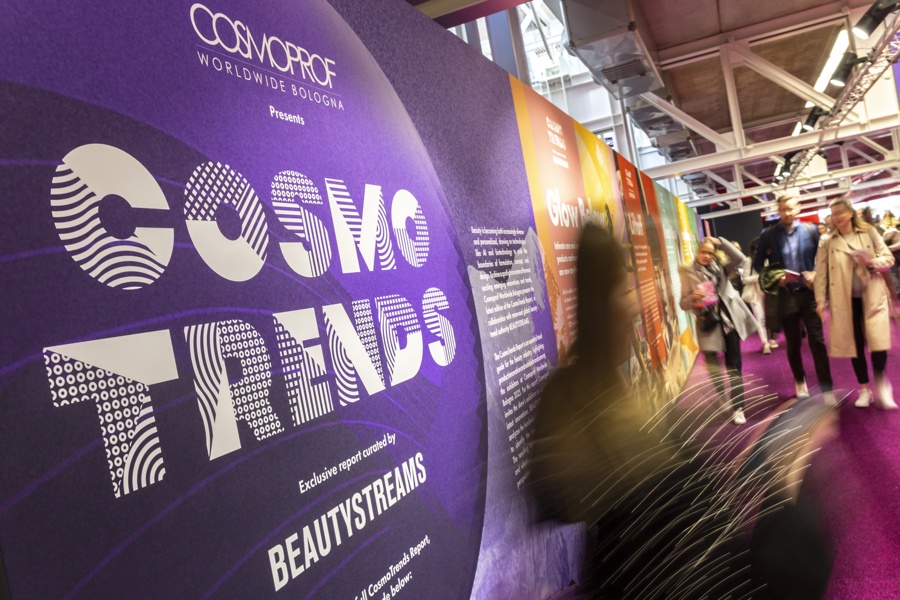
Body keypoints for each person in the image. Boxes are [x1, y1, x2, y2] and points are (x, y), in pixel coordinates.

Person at [529, 224, 833, 599]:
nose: (637, 307)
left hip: (682, 568)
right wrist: (783, 480)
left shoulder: (595, 395)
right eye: (624, 292)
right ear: (600, 305)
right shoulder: (582, 401)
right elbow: (580, 498)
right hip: (685, 579)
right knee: (802, 549)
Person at [814, 197, 896, 409]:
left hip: (872, 296)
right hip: (844, 299)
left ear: (850, 213)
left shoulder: (869, 232)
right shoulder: (827, 241)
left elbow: (888, 258)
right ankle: (864, 388)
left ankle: (882, 384)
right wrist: (820, 300)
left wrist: (870, 263)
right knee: (854, 344)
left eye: (840, 212)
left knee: (878, 341)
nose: (836, 217)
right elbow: (820, 272)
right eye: (833, 214)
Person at [753, 194, 833, 402]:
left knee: (817, 341)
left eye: (790, 209)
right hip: (786, 296)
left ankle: (827, 389)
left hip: (809, 294)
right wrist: (776, 277)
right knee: (793, 342)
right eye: (783, 209)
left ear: (798, 208)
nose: (787, 213)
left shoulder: (811, 231)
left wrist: (815, 273)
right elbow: (758, 264)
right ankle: (800, 381)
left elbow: (824, 259)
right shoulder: (768, 234)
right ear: (778, 211)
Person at [680, 237, 758, 424]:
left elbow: (740, 258)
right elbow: (683, 303)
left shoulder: (721, 269)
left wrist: (720, 241)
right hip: (708, 324)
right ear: (697, 253)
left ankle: (738, 407)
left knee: (734, 366)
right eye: (703, 252)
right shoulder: (688, 273)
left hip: (729, 322)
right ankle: (722, 394)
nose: (706, 256)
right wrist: (693, 297)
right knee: (713, 367)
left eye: (710, 253)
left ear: (714, 255)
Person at [742, 237, 778, 354]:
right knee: (760, 317)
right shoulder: (749, 261)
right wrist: (760, 277)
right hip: (754, 293)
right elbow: (744, 280)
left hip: (768, 292)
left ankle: (771, 338)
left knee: (770, 317)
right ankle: (765, 342)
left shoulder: (768, 260)